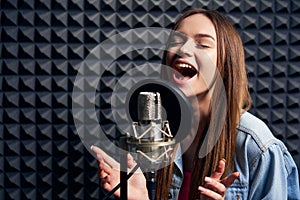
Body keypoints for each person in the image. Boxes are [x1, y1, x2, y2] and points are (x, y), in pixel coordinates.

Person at [92, 8, 300, 200]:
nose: (182, 49)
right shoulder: (151, 135)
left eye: (202, 44)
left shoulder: (255, 146)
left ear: (225, 65)